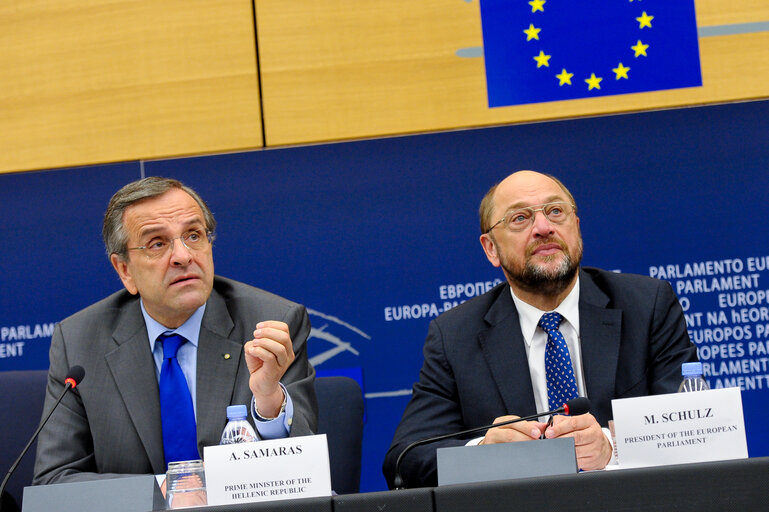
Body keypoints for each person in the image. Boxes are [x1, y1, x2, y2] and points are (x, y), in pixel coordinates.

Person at [383, 170, 698, 488]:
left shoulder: (646, 305)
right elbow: (405, 460)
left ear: (576, 227)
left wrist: (612, 447)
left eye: (555, 211)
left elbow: (696, 430)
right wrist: (483, 454)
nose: (544, 228)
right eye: (520, 218)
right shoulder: (454, 335)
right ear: (491, 248)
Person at [33, 177, 317, 485]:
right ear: (125, 270)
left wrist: (269, 399)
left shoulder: (270, 323)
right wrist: (167, 493)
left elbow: (304, 472)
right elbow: (55, 480)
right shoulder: (79, 341)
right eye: (157, 243)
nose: (183, 256)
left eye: (194, 235)